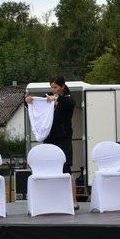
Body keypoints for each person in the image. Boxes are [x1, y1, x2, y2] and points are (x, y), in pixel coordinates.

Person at [25, 76, 78, 208]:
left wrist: (55, 99)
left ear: (62, 87)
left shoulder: (68, 99)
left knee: (66, 169)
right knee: (48, 167)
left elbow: (68, 103)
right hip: (49, 137)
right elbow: (37, 103)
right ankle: (50, 198)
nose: (53, 90)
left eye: (55, 87)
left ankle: (73, 200)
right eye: (51, 87)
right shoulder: (49, 96)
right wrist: (27, 101)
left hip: (64, 138)